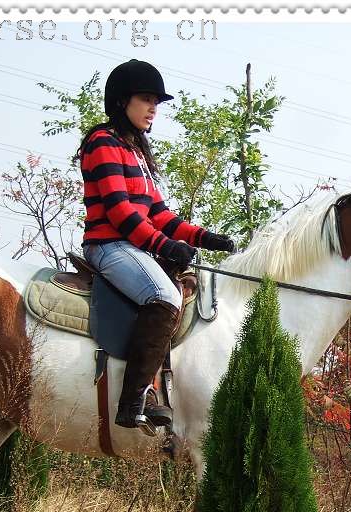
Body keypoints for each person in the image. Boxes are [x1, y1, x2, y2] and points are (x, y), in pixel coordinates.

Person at [76, 59, 236, 430]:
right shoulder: (103, 143)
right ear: (121, 100)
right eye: (146, 99)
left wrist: (201, 237)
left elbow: (159, 214)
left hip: (132, 247)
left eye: (156, 102)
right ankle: (133, 400)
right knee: (165, 296)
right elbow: (120, 213)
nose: (153, 109)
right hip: (108, 246)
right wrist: (164, 246)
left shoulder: (137, 152)